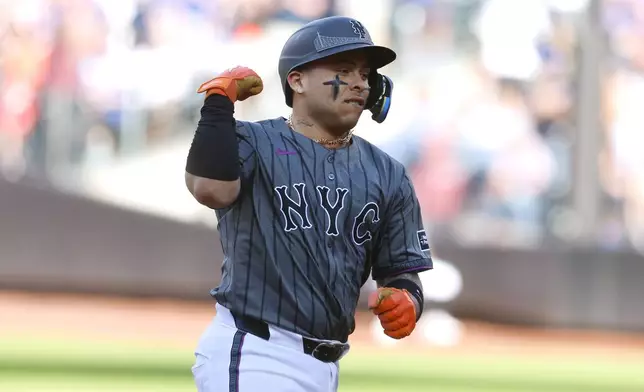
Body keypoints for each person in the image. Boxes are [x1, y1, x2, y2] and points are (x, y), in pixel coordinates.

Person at [185, 16, 433, 392]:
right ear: (297, 80)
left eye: (365, 74)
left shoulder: (388, 174)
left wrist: (407, 298)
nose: (358, 83)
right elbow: (210, 189)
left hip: (327, 366)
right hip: (256, 351)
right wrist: (218, 105)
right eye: (343, 69)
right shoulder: (254, 142)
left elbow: (400, 270)